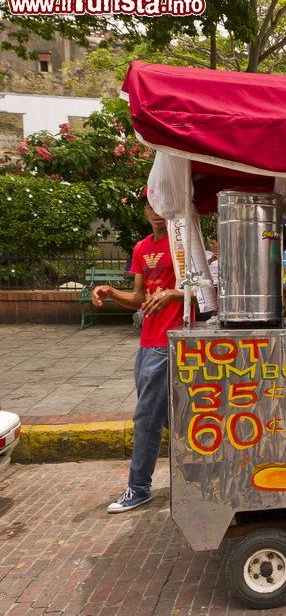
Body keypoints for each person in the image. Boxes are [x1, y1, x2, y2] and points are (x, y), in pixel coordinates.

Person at [92, 197, 185, 513]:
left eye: (162, 206)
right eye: (151, 206)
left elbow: (204, 289)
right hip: (147, 342)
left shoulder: (182, 243)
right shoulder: (142, 248)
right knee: (166, 418)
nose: (156, 212)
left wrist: (175, 293)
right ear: (145, 210)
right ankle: (187, 483)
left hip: (170, 340)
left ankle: (139, 488)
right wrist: (111, 292)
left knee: (147, 418)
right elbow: (138, 296)